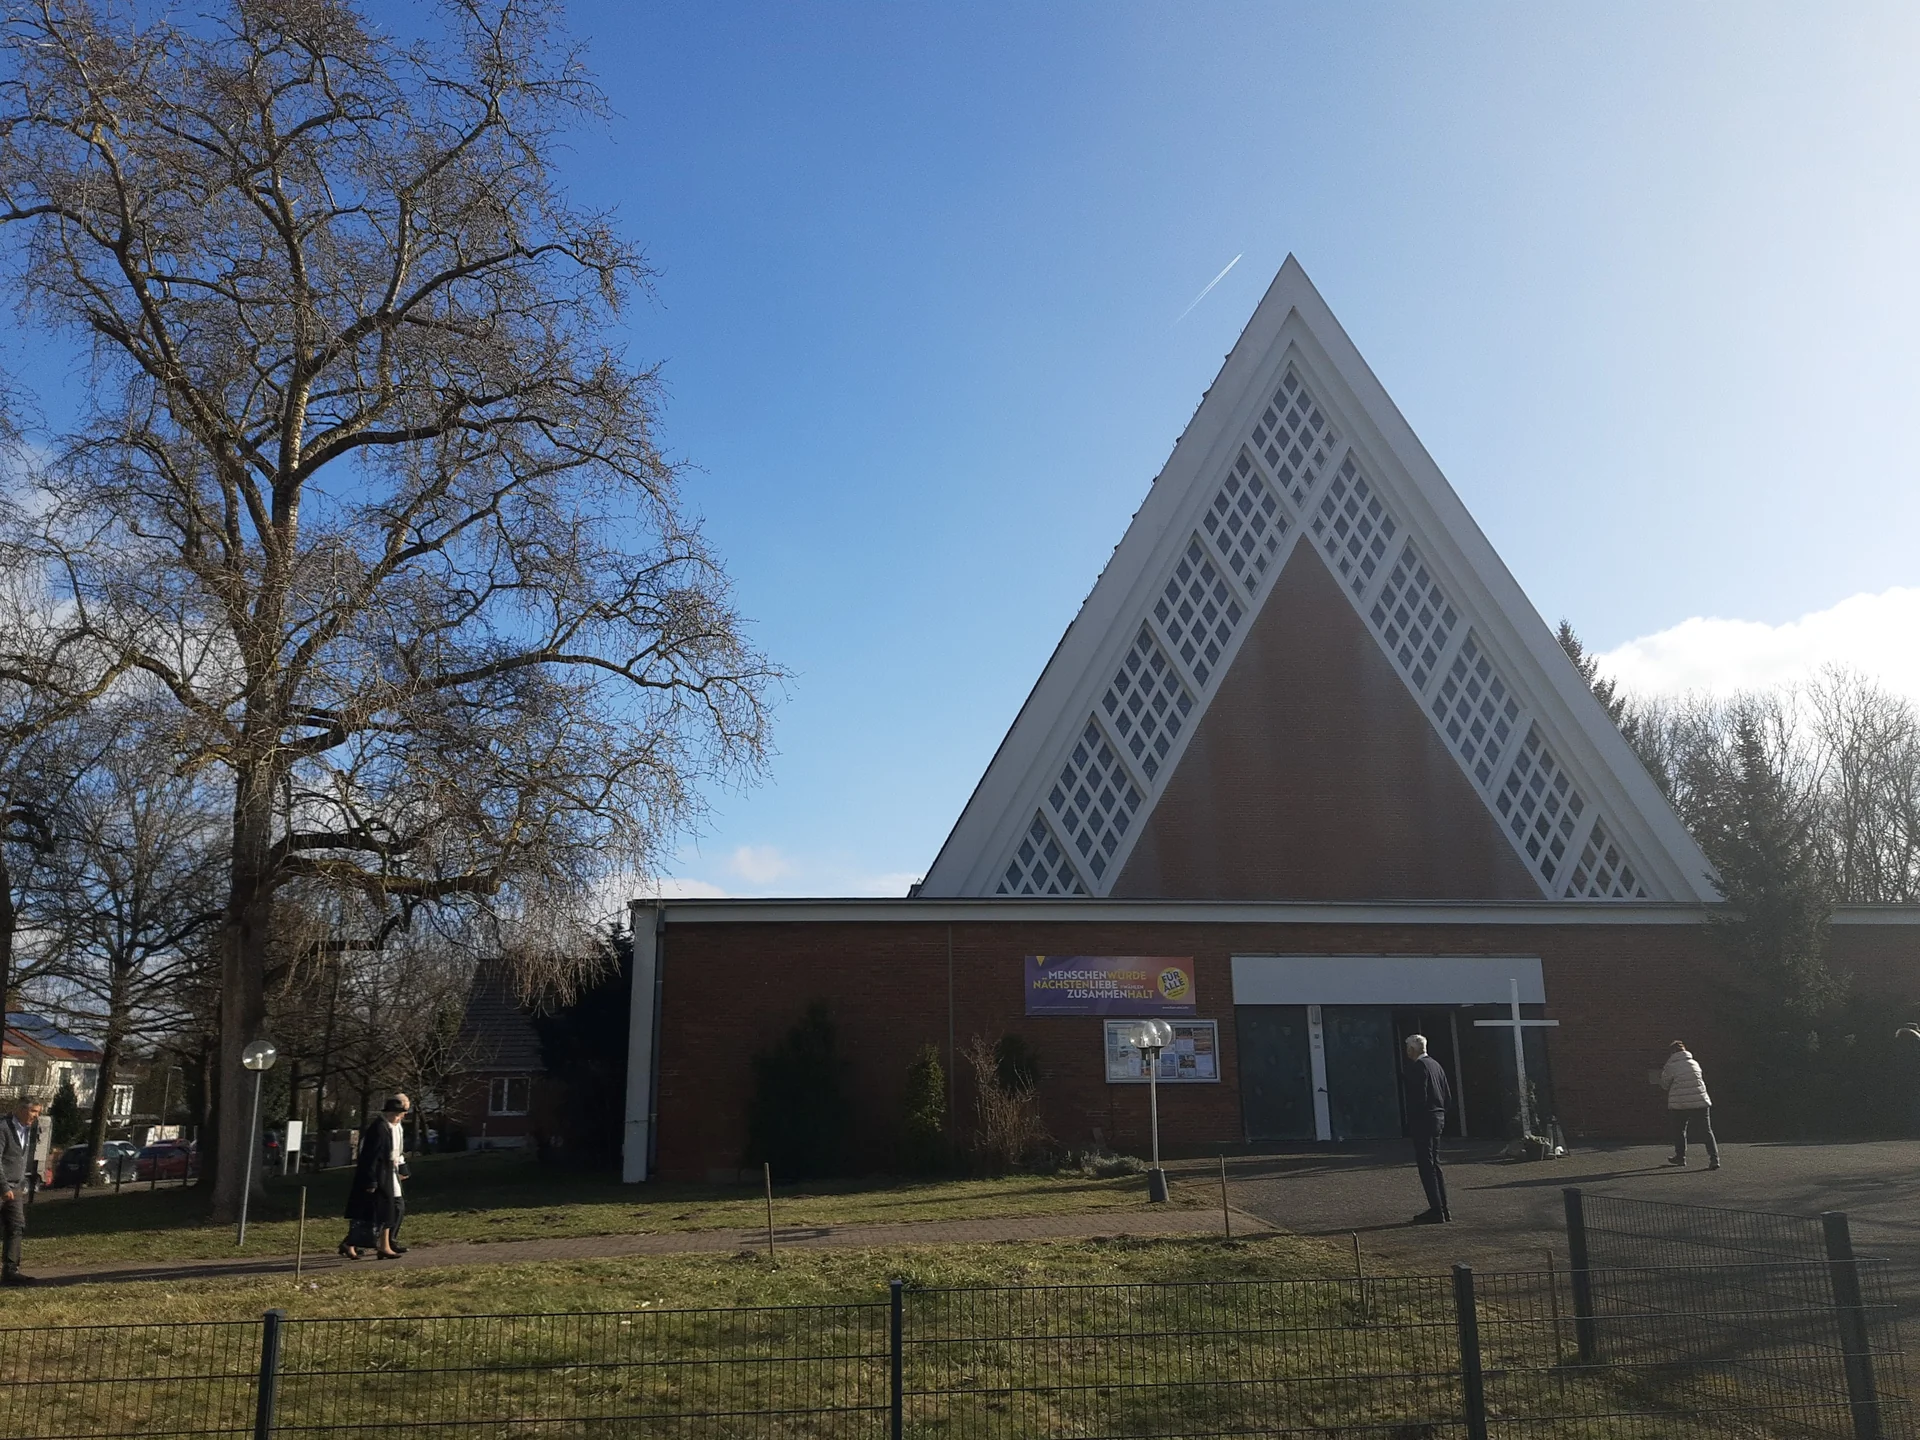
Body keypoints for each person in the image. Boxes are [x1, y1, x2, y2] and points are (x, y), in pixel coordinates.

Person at [341, 1095, 411, 1260]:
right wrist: (371, 1179)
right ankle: (359, 1244)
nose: (401, 1116)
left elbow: (397, 1150)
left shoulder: (394, 1127)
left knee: (391, 1208)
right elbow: (370, 1156)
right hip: (379, 1173)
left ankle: (385, 1244)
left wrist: (402, 1167)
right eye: (399, 1112)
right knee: (375, 1211)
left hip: (388, 1172)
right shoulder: (379, 1128)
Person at [1402, 1034, 1452, 1224]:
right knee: (1435, 1164)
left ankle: (1436, 1209)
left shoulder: (1417, 1068)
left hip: (1424, 1120)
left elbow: (1418, 1097)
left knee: (1426, 1165)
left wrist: (1412, 1121)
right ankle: (1443, 1208)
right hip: (1438, 1117)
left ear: (1411, 1050)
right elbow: (1447, 1095)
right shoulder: (1436, 1066)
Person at [1, 1098, 44, 1285]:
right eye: (33, 1111)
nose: (36, 1116)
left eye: (38, 1112)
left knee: (17, 1226)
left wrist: (20, 1182)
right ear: (20, 1109)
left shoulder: (28, 1130)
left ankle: (11, 1271)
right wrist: (3, 1187)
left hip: (16, 1187)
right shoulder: (3, 1128)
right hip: (2, 1186)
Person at [1661, 1040, 1719, 1170]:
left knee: (1679, 1130)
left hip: (1680, 1103)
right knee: (1706, 1131)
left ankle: (1680, 1157)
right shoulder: (1694, 1063)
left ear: (1672, 1052)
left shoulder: (1671, 1065)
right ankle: (1714, 1158)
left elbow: (1665, 1084)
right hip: (1700, 1101)